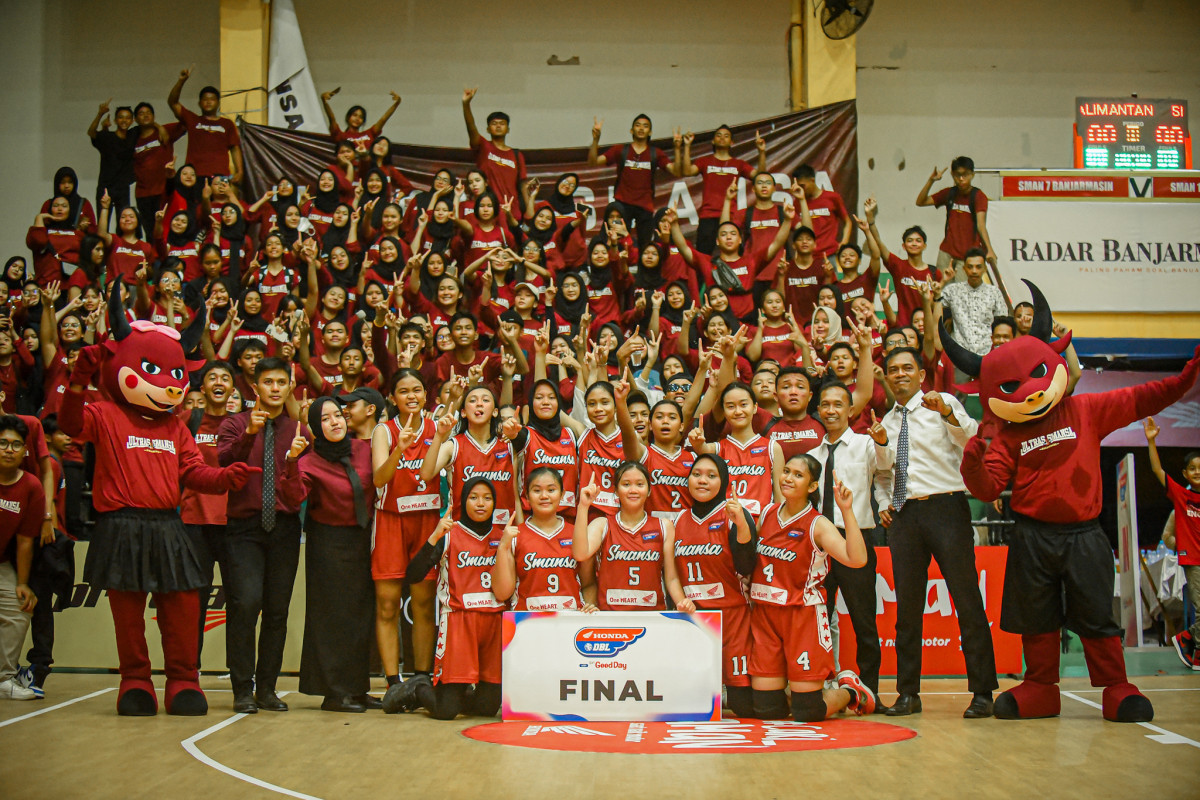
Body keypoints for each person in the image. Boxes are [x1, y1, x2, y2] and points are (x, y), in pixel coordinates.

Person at [948, 284, 1199, 723]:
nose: (1029, 392)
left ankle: (1116, 686)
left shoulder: (1085, 411)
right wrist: (972, 463)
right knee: (1037, 618)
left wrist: (1185, 379)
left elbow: (1143, 397)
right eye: (1012, 386)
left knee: (1097, 614)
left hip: (1084, 534)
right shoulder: (1007, 436)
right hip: (1033, 537)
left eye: (1035, 376)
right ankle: (1041, 687)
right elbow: (988, 489)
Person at [874, 347, 997, 718]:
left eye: (906, 368)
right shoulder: (886, 422)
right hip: (904, 516)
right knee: (907, 610)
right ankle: (908, 694)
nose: (899, 374)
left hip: (946, 508)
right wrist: (884, 503)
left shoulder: (942, 402)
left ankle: (983, 693)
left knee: (967, 600)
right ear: (886, 377)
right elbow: (883, 475)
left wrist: (946, 413)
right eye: (893, 369)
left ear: (920, 374)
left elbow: (971, 440)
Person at [749, 453, 875, 720]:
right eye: (786, 471)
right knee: (766, 710)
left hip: (802, 615)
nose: (788, 478)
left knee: (808, 711)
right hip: (765, 615)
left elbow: (857, 559)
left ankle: (851, 691)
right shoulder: (767, 514)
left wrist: (847, 511)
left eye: (798, 475)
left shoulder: (818, 524)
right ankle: (795, 692)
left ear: (812, 486)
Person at [216, 357, 306, 714]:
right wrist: (249, 434)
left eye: (281, 382)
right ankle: (242, 687)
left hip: (285, 526)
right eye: (268, 382)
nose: (275, 388)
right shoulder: (235, 423)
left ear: (289, 386)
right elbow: (224, 463)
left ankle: (267, 688)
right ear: (254, 387)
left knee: (277, 610)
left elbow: (301, 486)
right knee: (245, 603)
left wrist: (294, 461)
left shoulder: (298, 429)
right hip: (244, 527)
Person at [279, 398, 378, 712]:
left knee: (360, 615)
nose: (335, 422)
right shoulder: (308, 461)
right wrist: (291, 461)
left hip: (363, 539)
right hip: (328, 542)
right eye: (325, 418)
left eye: (338, 415)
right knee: (333, 618)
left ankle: (357, 688)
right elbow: (293, 497)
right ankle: (335, 693)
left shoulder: (364, 449)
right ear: (314, 427)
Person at [811, 382, 892, 706]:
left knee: (864, 622)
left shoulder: (865, 444)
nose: (831, 410)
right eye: (825, 404)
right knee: (819, 620)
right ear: (818, 410)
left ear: (850, 410)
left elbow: (885, 466)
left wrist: (882, 441)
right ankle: (822, 687)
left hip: (856, 540)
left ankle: (870, 691)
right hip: (820, 546)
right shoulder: (813, 456)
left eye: (838, 404)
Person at [399, 477, 507, 719]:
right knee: (446, 711)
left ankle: (459, 696)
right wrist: (434, 537)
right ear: (462, 500)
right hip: (459, 621)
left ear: (495, 503)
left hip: (494, 622)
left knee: (487, 709)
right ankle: (418, 690)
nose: (481, 503)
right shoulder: (449, 534)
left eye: (487, 498)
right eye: (473, 497)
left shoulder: (503, 537)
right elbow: (413, 575)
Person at [370, 370, 440, 713]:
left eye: (417, 389)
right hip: (391, 521)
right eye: (403, 391)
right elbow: (378, 478)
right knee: (387, 605)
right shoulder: (384, 430)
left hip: (426, 521)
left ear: (426, 395)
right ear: (392, 397)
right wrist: (398, 450)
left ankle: (422, 678)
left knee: (424, 604)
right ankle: (393, 683)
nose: (411, 396)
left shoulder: (437, 427)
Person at [672, 454, 757, 717]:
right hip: (695, 617)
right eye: (697, 474)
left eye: (711, 476)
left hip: (733, 615)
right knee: (694, 704)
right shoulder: (677, 520)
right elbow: (671, 573)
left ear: (724, 482)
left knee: (743, 706)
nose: (702, 480)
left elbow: (747, 565)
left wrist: (741, 524)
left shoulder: (734, 514)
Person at [574, 462, 688, 611]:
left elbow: (671, 578)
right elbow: (580, 553)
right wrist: (583, 506)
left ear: (649, 490)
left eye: (640, 484)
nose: (633, 490)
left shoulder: (664, 526)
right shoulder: (603, 524)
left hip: (653, 616)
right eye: (626, 484)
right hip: (610, 616)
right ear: (616, 490)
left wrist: (682, 602)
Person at [181, 361, 234, 663]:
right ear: (203, 388)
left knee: (238, 601)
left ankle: (239, 672)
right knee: (194, 601)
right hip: (194, 522)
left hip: (232, 523)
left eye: (225, 378)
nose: (219, 382)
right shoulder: (189, 420)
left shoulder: (241, 424)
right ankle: (191, 668)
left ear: (232, 388)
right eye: (212, 377)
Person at [491, 468, 588, 611]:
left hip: (569, 620)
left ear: (562, 494)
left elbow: (588, 584)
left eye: (551, 490)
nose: (544, 496)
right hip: (526, 619)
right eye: (537, 491)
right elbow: (502, 593)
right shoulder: (515, 537)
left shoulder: (576, 533)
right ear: (527, 496)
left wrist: (589, 608)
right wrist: (502, 547)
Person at [1145, 419, 1200, 668]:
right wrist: (1151, 441)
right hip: (1193, 560)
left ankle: (1187, 638)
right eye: (1193, 468)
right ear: (1185, 474)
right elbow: (1157, 471)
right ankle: (1195, 651)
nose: (1197, 472)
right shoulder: (1182, 496)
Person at [588, 114, 681, 248]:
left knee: (645, 246)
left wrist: (677, 148)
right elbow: (593, 162)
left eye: (645, 126)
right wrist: (595, 139)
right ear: (631, 130)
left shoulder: (656, 153)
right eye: (638, 125)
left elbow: (676, 171)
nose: (641, 128)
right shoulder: (621, 150)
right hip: (622, 205)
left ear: (650, 132)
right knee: (617, 244)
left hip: (645, 206)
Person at [0, 415, 42, 701]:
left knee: (19, 608)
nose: (9, 449)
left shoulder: (31, 486)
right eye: (3, 443)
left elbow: (25, 541)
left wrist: (22, 583)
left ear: (25, 451)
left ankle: (4, 678)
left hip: (3, 564)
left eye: (16, 445)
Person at [679, 125, 767, 255]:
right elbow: (687, 171)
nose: (722, 138)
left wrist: (761, 152)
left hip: (731, 215)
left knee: (733, 255)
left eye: (726, 136)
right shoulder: (705, 161)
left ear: (731, 142)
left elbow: (760, 176)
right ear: (713, 141)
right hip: (708, 215)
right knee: (703, 256)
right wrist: (687, 146)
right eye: (718, 135)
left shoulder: (739, 164)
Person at [915, 156, 998, 273]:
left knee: (963, 285)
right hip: (946, 252)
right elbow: (920, 202)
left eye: (965, 175)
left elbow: (981, 225)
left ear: (972, 175)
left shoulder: (978, 196)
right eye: (957, 175)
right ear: (952, 175)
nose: (961, 179)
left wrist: (989, 250)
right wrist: (931, 181)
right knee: (941, 284)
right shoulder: (949, 193)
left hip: (968, 255)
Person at [167, 66, 243, 184]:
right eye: (205, 99)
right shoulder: (192, 120)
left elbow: (235, 148)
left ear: (218, 103)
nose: (208, 102)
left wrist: (240, 171)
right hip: (195, 177)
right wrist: (181, 81)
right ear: (199, 103)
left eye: (212, 99)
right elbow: (173, 102)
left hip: (220, 177)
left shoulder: (227, 124)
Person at [462, 89, 528, 220]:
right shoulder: (484, 147)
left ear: (508, 129)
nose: (498, 126)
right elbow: (471, 127)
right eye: (494, 123)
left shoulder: (516, 154)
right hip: (487, 211)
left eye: (502, 124)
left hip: (512, 212)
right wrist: (466, 104)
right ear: (488, 129)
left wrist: (528, 211)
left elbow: (523, 185)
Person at [937, 248, 1008, 357]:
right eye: (970, 267)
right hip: (959, 354)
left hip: (987, 354)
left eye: (978, 267)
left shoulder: (994, 292)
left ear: (984, 268)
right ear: (964, 268)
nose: (974, 271)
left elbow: (1003, 322)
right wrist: (943, 281)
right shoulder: (953, 290)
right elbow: (932, 305)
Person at [87, 99, 137, 226]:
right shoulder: (107, 137)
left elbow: (150, 126)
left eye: (128, 118)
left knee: (124, 223)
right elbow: (91, 132)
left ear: (132, 121)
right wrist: (100, 114)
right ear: (115, 120)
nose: (124, 120)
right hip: (105, 187)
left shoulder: (133, 135)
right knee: (103, 224)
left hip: (123, 188)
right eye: (121, 117)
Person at [788, 164, 850, 263]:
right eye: (798, 186)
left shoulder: (832, 197)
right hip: (808, 257)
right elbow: (800, 230)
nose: (801, 190)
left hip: (831, 254)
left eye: (803, 186)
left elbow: (847, 222)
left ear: (812, 180)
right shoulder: (797, 203)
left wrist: (844, 241)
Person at [320, 87, 403, 150]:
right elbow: (331, 118)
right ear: (348, 117)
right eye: (354, 115)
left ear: (363, 121)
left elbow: (383, 119)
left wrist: (397, 103)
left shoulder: (369, 133)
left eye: (361, 117)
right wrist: (324, 102)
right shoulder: (341, 135)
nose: (357, 118)